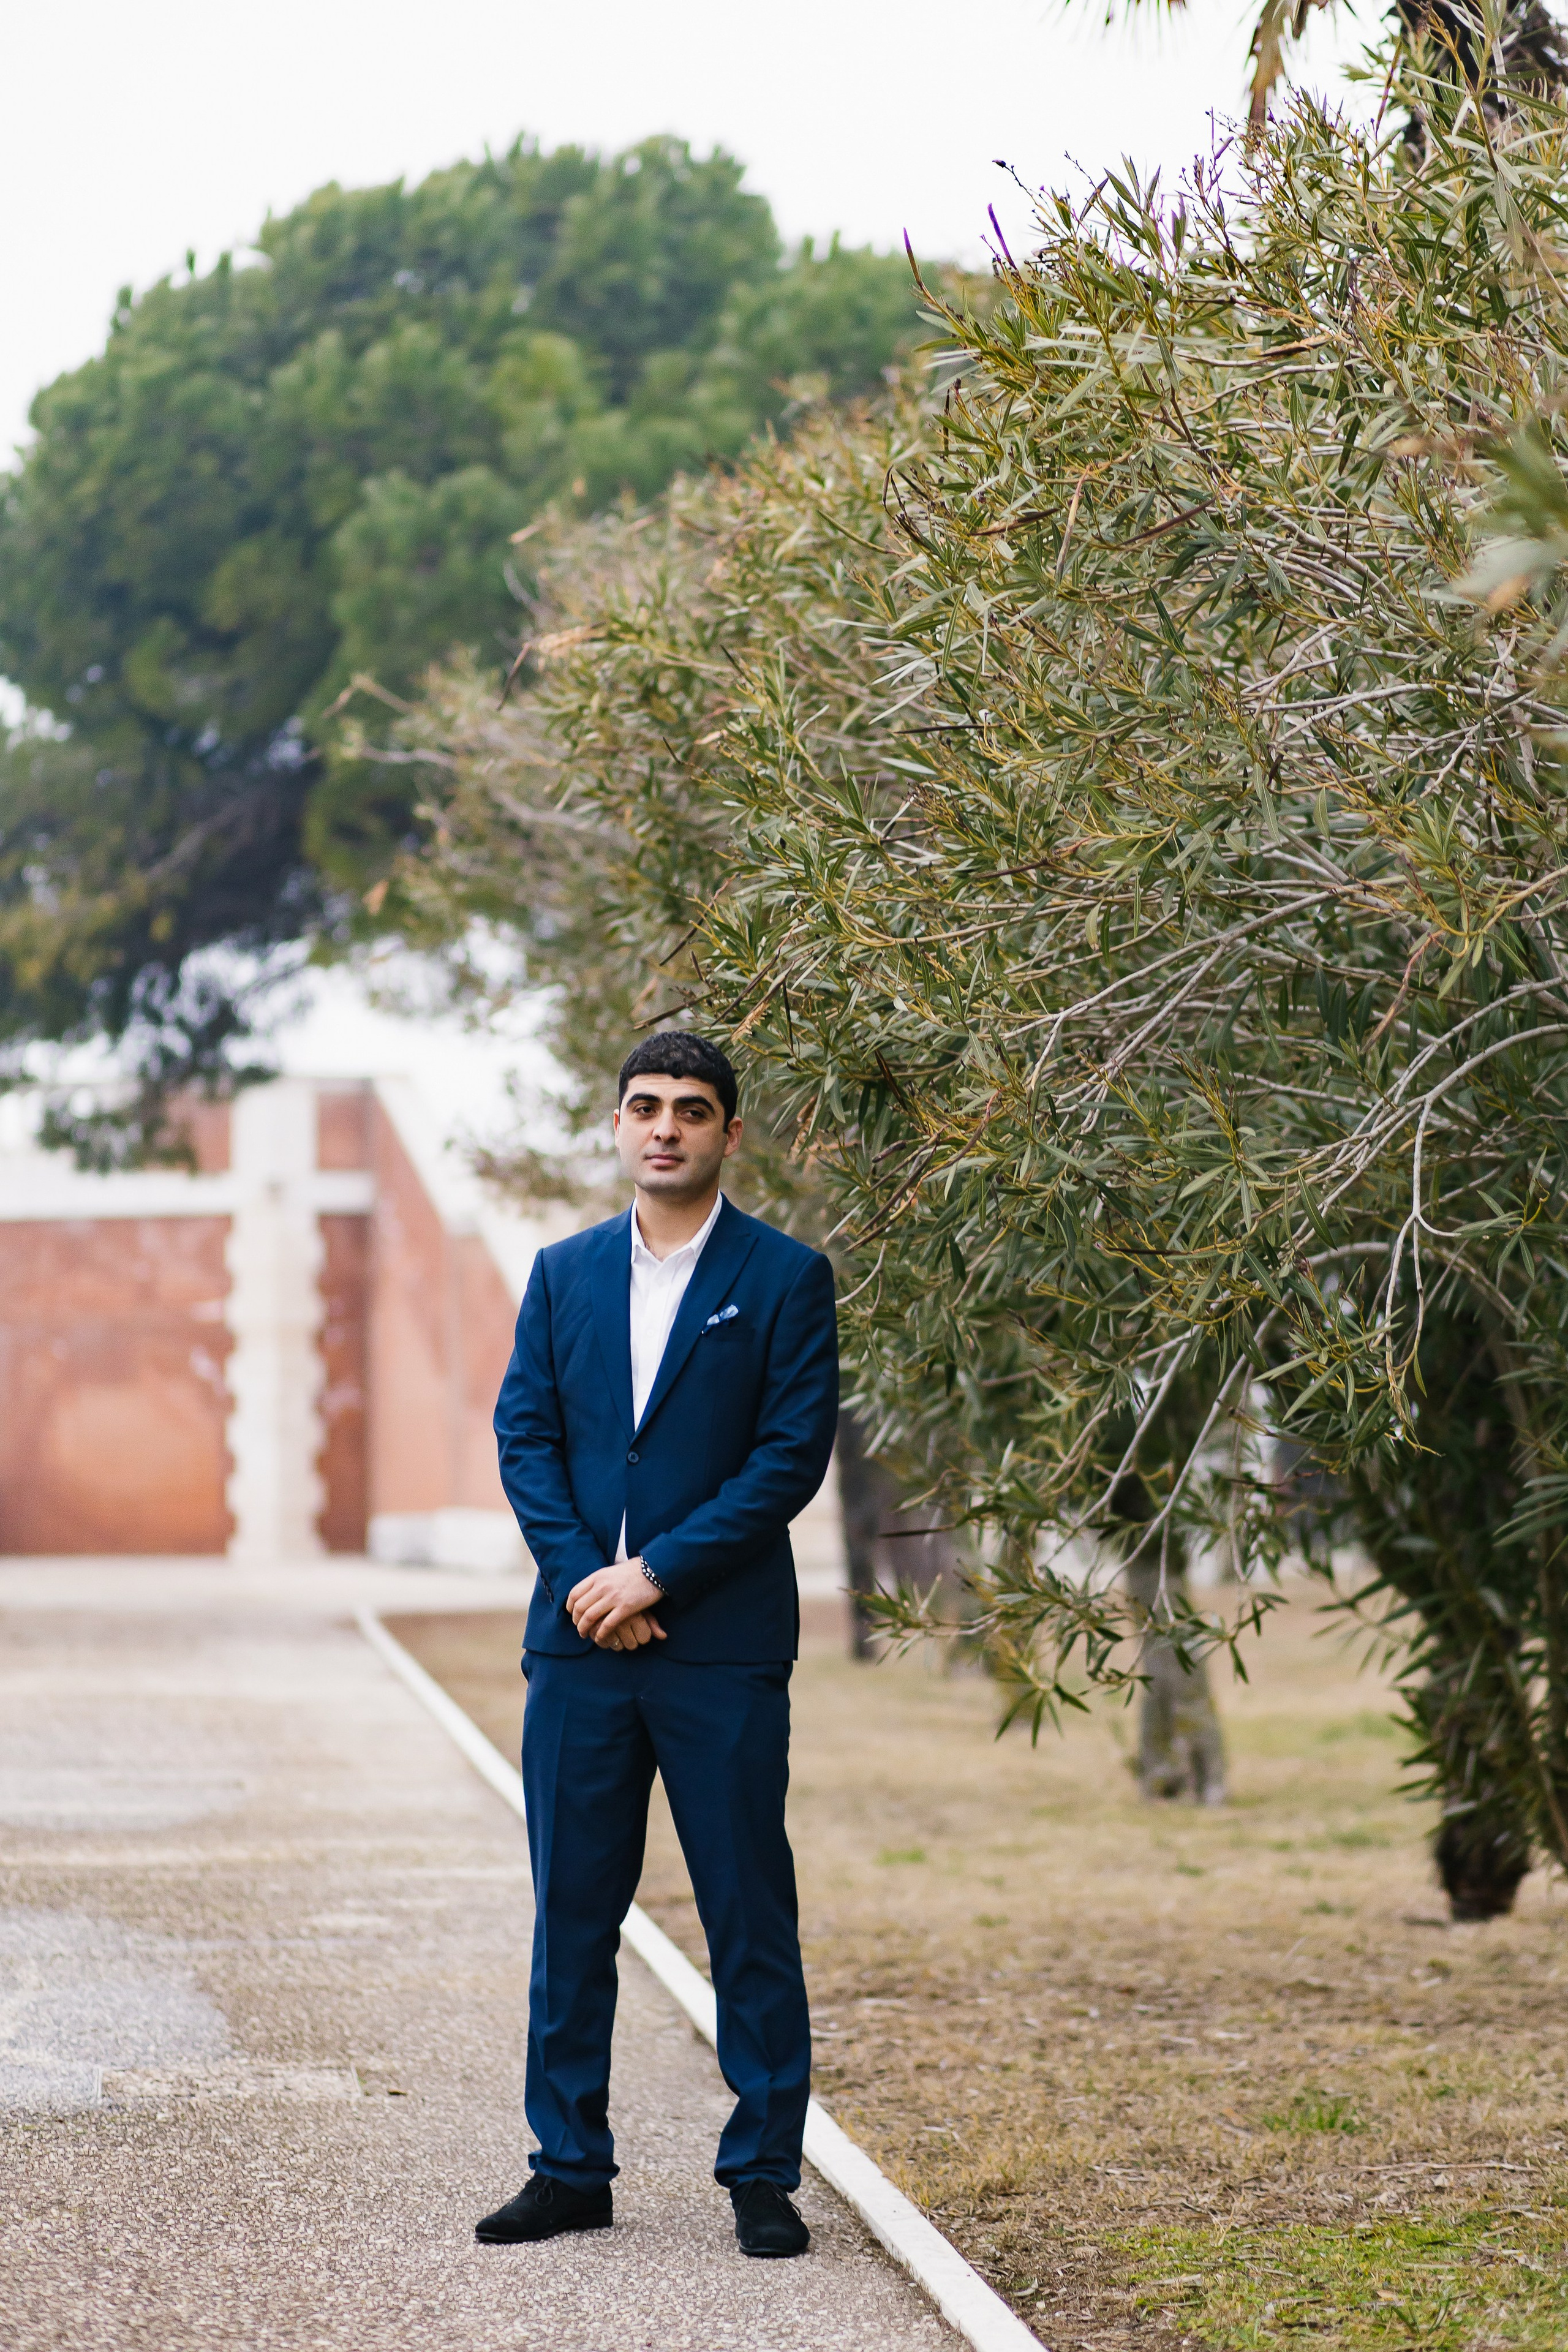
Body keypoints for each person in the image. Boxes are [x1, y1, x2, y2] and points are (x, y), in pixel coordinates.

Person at [476, 1032, 839, 2260]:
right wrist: (589, 1581)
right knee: (572, 1917)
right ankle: (568, 2167)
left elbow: (786, 1458)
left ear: (729, 1131)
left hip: (718, 1646)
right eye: (645, 1106)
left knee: (747, 1913)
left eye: (690, 1108)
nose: (665, 1126)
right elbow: (525, 1437)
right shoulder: (561, 1273)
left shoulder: (785, 1278)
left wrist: (657, 1571)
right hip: (578, 1647)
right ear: (618, 1125)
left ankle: (763, 2176)